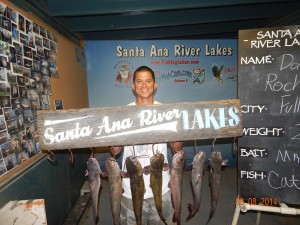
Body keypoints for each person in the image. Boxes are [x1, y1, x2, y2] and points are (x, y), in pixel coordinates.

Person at [111, 66, 183, 225]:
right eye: (139, 81)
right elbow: (115, 151)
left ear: (155, 85)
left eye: (148, 81)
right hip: (131, 190)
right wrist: (113, 136)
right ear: (133, 86)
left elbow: (176, 147)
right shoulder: (122, 113)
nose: (144, 85)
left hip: (162, 187)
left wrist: (181, 130)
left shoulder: (166, 112)